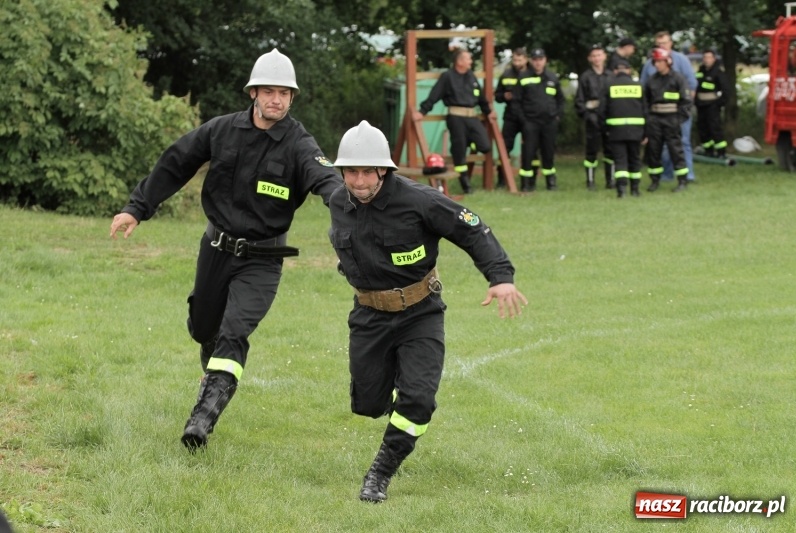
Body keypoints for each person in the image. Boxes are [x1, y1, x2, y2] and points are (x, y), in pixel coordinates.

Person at [109, 49, 341, 451]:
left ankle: (202, 419)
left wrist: (351, 210)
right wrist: (137, 208)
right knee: (204, 328)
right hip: (215, 248)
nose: (277, 100)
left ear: (292, 97)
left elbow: (328, 182)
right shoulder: (222, 130)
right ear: (253, 93)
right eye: (268, 91)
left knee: (235, 332)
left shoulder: (300, 145)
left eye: (284, 93)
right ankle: (213, 367)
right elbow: (176, 162)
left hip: (263, 259)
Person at [328, 121, 528, 503]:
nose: (358, 180)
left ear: (383, 170)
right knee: (367, 404)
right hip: (369, 315)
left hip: (420, 312)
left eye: (366, 170)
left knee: (418, 399)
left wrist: (500, 277)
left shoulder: (419, 200)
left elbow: (472, 229)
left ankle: (380, 474)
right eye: (350, 171)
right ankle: (392, 404)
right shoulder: (338, 201)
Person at [412, 48, 497, 194]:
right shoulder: (448, 77)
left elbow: (481, 98)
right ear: (460, 61)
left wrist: (489, 112)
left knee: (485, 146)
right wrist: (422, 111)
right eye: (468, 58)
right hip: (456, 117)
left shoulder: (471, 76)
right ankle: (465, 185)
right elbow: (435, 95)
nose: (471, 61)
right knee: (459, 150)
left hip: (472, 117)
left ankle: (470, 140)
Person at [640, 31, 698, 182]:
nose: (661, 46)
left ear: (671, 43)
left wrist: (682, 112)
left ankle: (688, 175)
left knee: (682, 142)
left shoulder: (681, 60)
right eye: (658, 44)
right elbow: (644, 90)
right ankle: (666, 175)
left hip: (678, 113)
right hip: (658, 116)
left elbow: (691, 86)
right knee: (661, 146)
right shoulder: (649, 64)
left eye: (664, 43)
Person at [598, 59, 646, 198]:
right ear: (629, 70)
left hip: (615, 131)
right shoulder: (638, 86)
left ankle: (621, 190)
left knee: (620, 160)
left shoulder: (609, 86)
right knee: (635, 159)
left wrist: (604, 128)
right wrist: (645, 132)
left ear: (615, 71)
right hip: (636, 131)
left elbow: (602, 111)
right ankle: (635, 189)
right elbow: (645, 111)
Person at [520, 48, 565, 191]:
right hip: (530, 122)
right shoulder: (523, 77)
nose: (538, 62)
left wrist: (557, 115)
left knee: (548, 152)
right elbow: (517, 101)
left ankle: (551, 183)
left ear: (545, 60)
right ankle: (527, 183)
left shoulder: (552, 77)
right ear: (531, 61)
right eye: (535, 59)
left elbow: (560, 100)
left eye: (540, 59)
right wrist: (524, 120)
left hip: (549, 122)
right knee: (528, 153)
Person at [575, 44, 614, 190]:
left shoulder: (611, 76)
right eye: (594, 56)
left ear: (604, 56)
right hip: (592, 118)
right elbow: (579, 100)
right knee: (591, 151)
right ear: (589, 59)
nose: (597, 58)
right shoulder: (585, 77)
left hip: (609, 119)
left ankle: (611, 180)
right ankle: (590, 181)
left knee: (610, 150)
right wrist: (586, 114)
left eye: (599, 55)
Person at [494, 47, 535, 188]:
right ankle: (501, 179)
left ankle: (529, 181)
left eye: (520, 59)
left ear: (526, 59)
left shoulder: (532, 74)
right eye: (515, 59)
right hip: (511, 116)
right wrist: (503, 96)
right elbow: (497, 95)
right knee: (505, 148)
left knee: (530, 148)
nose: (517, 62)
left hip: (528, 116)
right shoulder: (506, 74)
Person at [695, 49, 729, 157]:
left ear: (714, 59)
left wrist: (718, 104)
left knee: (714, 128)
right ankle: (708, 150)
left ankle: (721, 151)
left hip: (712, 105)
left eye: (709, 57)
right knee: (702, 128)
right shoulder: (700, 71)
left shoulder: (718, 72)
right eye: (705, 57)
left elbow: (726, 91)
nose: (706, 60)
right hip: (701, 105)